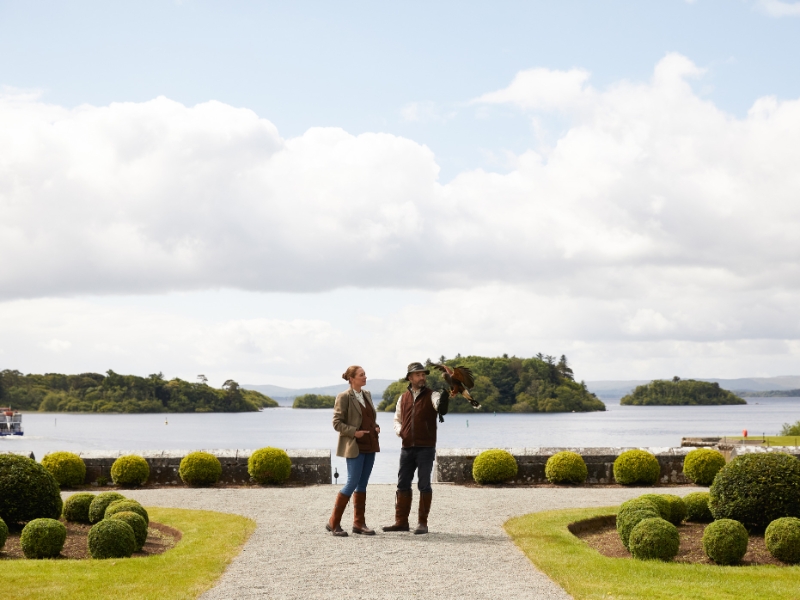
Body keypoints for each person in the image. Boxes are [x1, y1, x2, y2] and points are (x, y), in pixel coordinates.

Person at [382, 362, 449, 535]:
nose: (422, 377)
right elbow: (397, 420)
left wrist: (444, 400)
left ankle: (422, 523)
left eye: (423, 374)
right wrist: (401, 432)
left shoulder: (433, 395)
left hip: (426, 447)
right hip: (407, 448)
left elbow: (439, 406)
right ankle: (401, 522)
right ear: (410, 378)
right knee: (402, 484)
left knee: (424, 484)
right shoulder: (403, 398)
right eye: (418, 375)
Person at [326, 365, 381, 537]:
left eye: (365, 374)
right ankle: (333, 522)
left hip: (370, 444)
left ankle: (359, 524)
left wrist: (376, 426)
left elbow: (369, 417)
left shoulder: (367, 394)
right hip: (354, 445)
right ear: (352, 379)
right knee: (352, 482)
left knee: (362, 484)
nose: (365, 377)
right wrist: (354, 432)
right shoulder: (344, 397)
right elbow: (337, 423)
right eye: (361, 375)